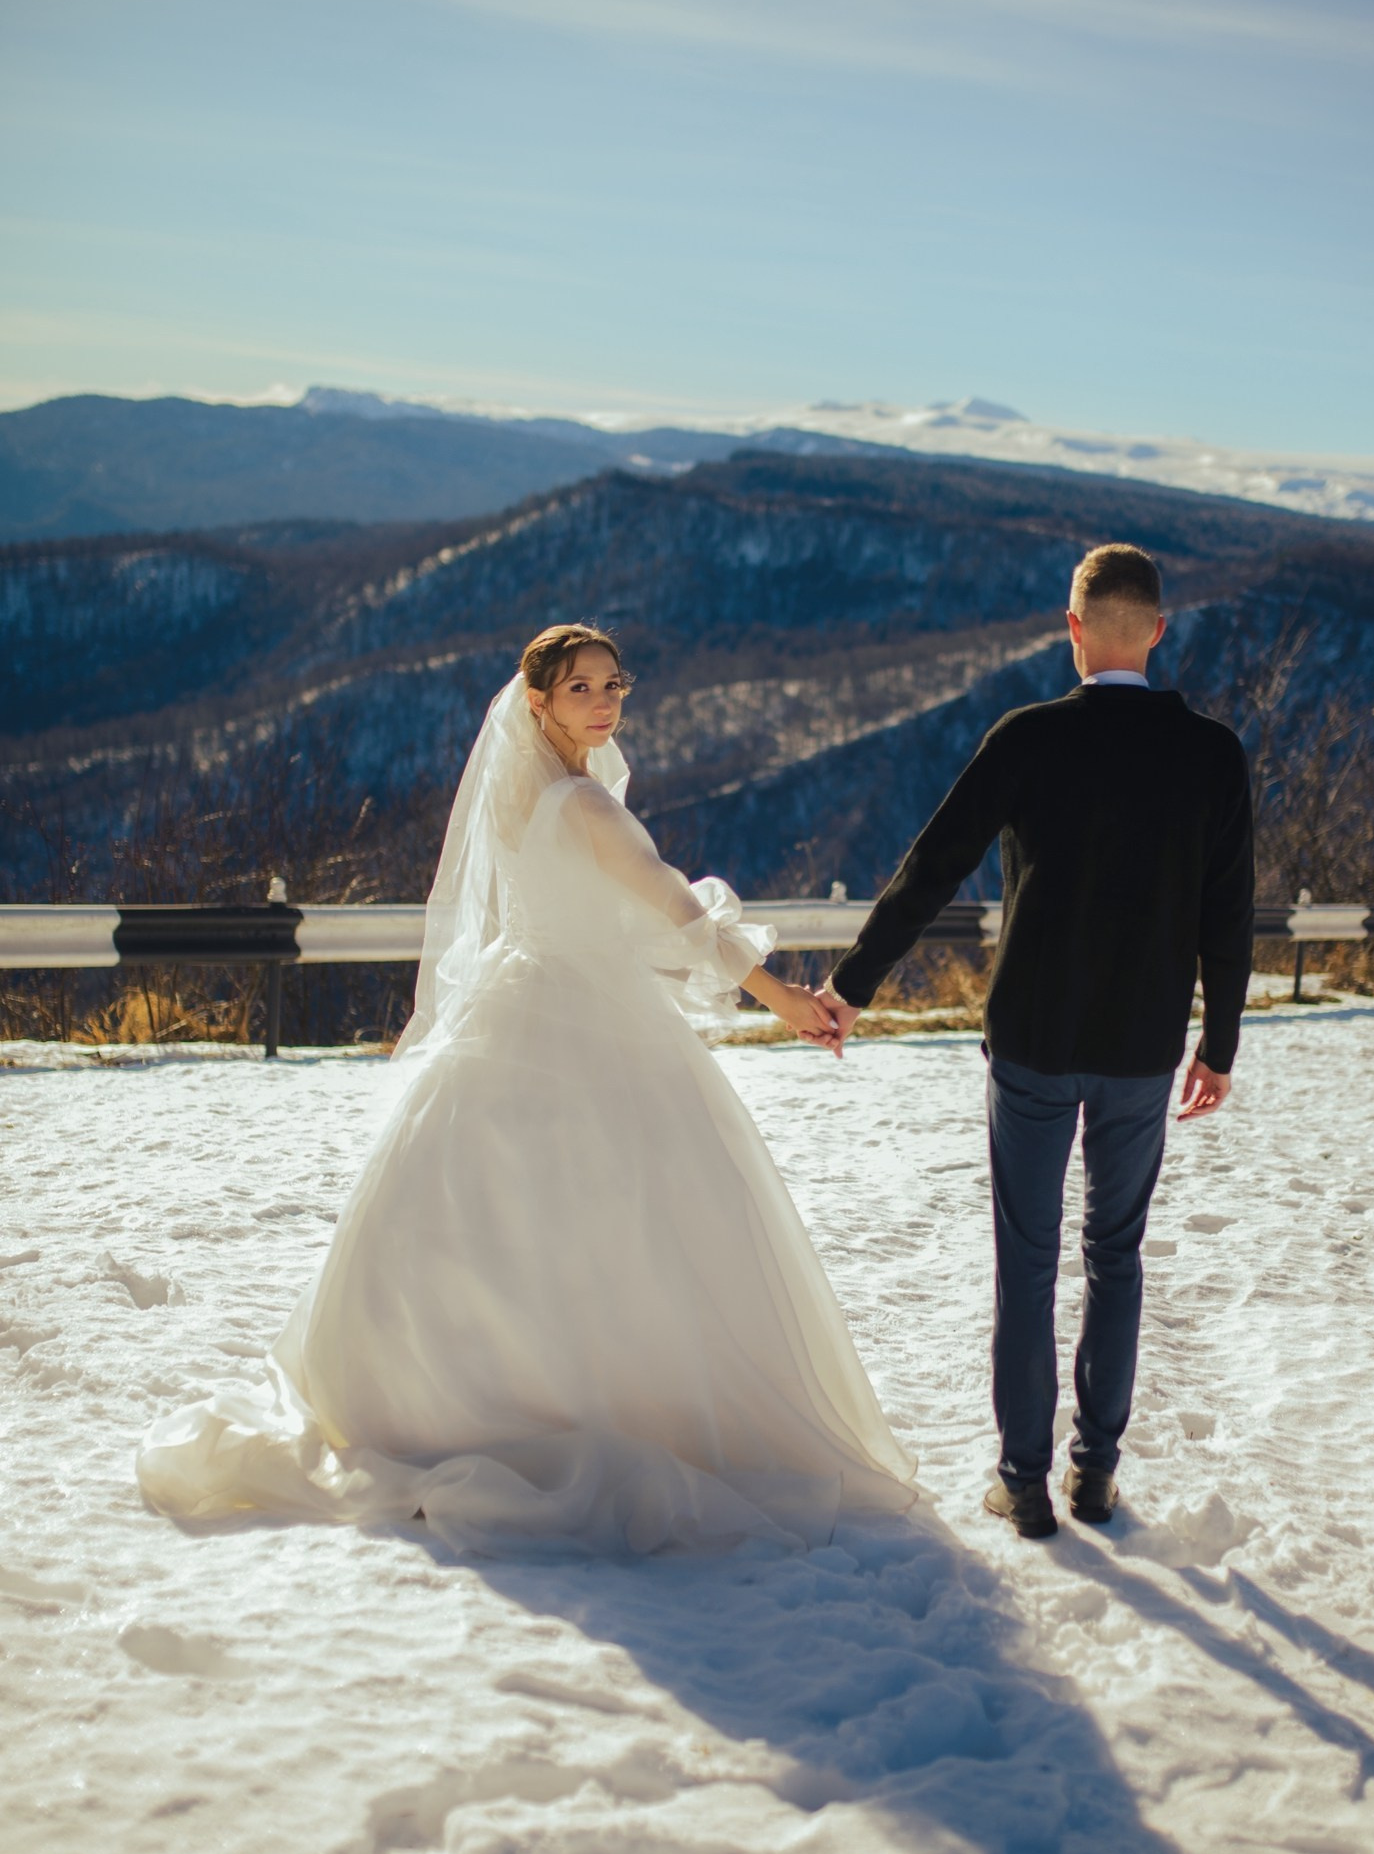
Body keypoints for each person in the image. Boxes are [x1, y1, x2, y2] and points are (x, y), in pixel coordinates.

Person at [139, 627, 915, 1555]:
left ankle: (447, 1399)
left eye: (613, 684)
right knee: (625, 1218)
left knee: (481, 1211)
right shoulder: (585, 804)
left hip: (516, 1004)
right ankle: (574, 1404)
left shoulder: (517, 793)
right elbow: (676, 910)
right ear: (536, 700)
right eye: (579, 687)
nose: (603, 700)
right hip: (587, 1017)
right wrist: (788, 999)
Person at [821, 545, 1254, 1541]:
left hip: (1030, 1037)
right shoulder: (1212, 753)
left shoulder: (1026, 737)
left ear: (1071, 629)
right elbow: (1226, 917)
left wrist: (851, 985)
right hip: (1145, 1043)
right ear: (1155, 629)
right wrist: (1218, 1044)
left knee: (1026, 1259)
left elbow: (931, 866)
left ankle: (1021, 1480)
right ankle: (1093, 1473)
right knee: (1116, 1255)